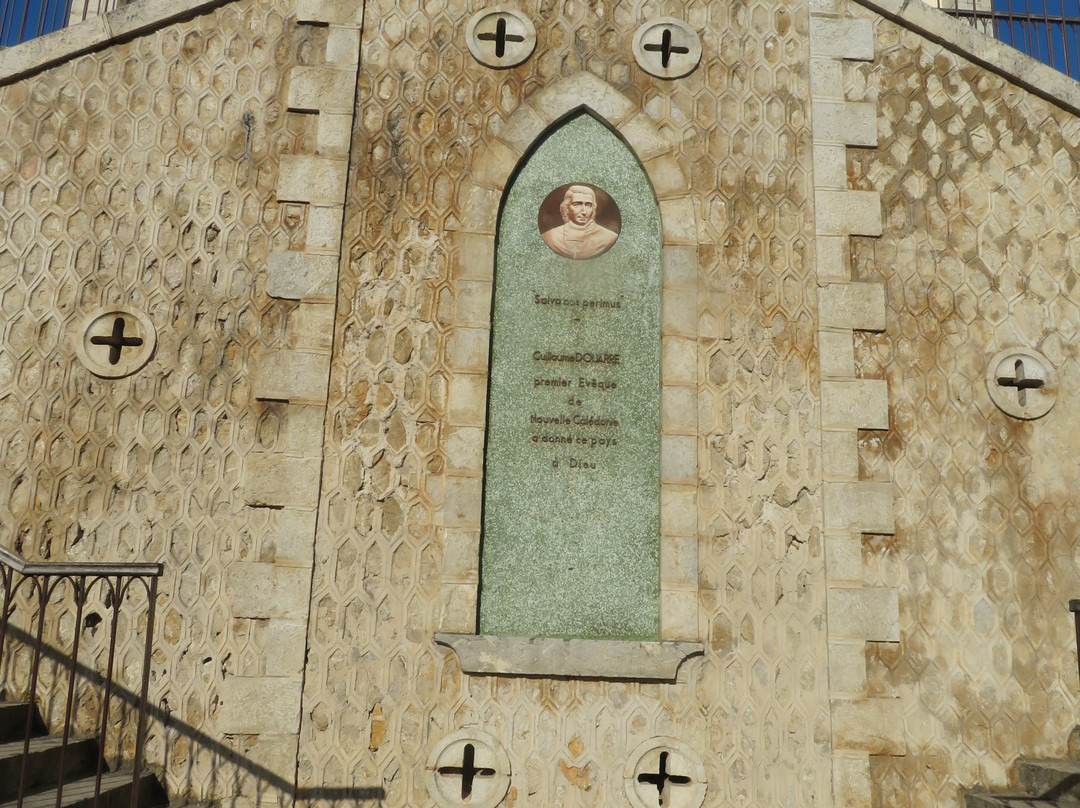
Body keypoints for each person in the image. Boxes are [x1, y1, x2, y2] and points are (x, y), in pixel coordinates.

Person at [541, 185, 619, 259]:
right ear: (566, 208)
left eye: (588, 205)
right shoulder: (551, 236)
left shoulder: (609, 237)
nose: (584, 211)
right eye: (577, 204)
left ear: (593, 209)